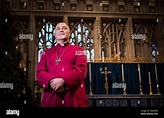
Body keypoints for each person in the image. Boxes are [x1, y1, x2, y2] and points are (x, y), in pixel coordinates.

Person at [36, 22, 89, 107]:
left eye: (64, 28)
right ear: (54, 35)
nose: (61, 30)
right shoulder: (46, 53)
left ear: (69, 33)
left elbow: (81, 70)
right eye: (58, 28)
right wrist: (50, 82)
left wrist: (64, 80)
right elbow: (40, 72)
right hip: (51, 97)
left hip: (72, 97)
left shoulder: (79, 50)